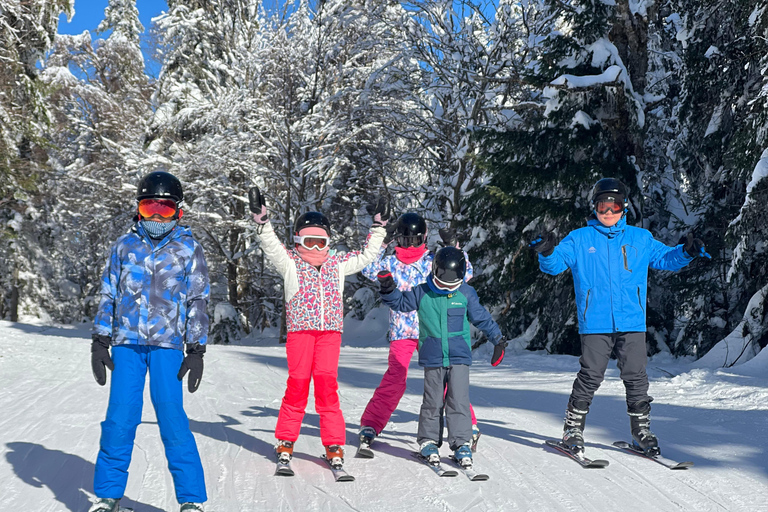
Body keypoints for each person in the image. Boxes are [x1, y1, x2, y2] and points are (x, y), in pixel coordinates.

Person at [530, 177, 709, 457]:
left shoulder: (640, 238)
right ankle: (572, 429)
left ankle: (641, 431)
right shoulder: (580, 238)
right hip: (595, 322)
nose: (608, 212)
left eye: (613, 205)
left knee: (636, 376)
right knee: (591, 375)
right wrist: (547, 251)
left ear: (623, 206)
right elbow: (555, 265)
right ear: (595, 207)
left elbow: (666, 259)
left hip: (631, 321)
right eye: (603, 205)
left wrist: (687, 252)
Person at [89, 171, 209, 512]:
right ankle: (107, 495)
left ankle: (191, 501)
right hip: (126, 344)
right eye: (148, 207)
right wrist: (100, 339)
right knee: (120, 417)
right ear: (138, 209)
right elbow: (108, 294)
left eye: (165, 209)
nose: (156, 216)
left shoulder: (189, 249)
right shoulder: (124, 246)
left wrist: (196, 348)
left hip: (168, 346)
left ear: (178, 212)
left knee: (171, 417)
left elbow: (198, 299)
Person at [249, 186, 389, 471]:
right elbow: (271, 245)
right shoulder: (290, 262)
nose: (315, 249)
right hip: (300, 333)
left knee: (327, 387)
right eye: (309, 242)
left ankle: (333, 443)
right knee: (298, 385)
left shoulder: (336, 263)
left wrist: (378, 228)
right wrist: (263, 224)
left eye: (320, 242)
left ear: (328, 242)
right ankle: (286, 440)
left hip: (329, 335)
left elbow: (365, 256)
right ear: (299, 240)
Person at [358, 213, 481, 453]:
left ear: (424, 238)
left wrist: (453, 247)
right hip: (403, 332)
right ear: (397, 241)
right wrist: (380, 239)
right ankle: (371, 423)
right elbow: (366, 266)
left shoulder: (432, 260)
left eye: (415, 240)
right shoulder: (390, 263)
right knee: (396, 377)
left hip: (433, 330)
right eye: (405, 241)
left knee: (447, 379)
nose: (410, 246)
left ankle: (469, 425)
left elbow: (464, 273)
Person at [377, 246, 507, 468]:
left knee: (459, 401)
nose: (446, 287)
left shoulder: (466, 293)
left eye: (451, 283)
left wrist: (498, 339)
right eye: (442, 282)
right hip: (433, 356)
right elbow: (400, 303)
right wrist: (389, 289)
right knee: (433, 401)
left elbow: (482, 318)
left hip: (459, 357)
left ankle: (462, 443)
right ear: (435, 271)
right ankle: (428, 441)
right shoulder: (422, 292)